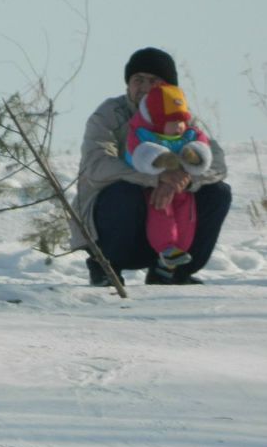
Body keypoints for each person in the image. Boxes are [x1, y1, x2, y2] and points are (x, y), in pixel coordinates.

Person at [72, 47, 231, 285]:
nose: (144, 87)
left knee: (217, 192)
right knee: (124, 192)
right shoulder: (109, 114)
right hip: (119, 226)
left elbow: (215, 162)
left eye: (153, 81)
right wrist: (156, 178)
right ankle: (105, 264)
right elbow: (97, 165)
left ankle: (172, 271)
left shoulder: (182, 119)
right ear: (128, 85)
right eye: (138, 80)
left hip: (171, 220)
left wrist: (183, 180)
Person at [125, 83, 213, 279]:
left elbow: (204, 147)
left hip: (182, 190)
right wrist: (158, 163)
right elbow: (136, 155)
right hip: (156, 189)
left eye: (182, 120)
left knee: (186, 217)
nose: (180, 126)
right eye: (173, 121)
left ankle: (178, 253)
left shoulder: (188, 134)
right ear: (156, 120)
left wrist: (195, 157)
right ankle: (166, 247)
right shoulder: (145, 134)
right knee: (161, 211)